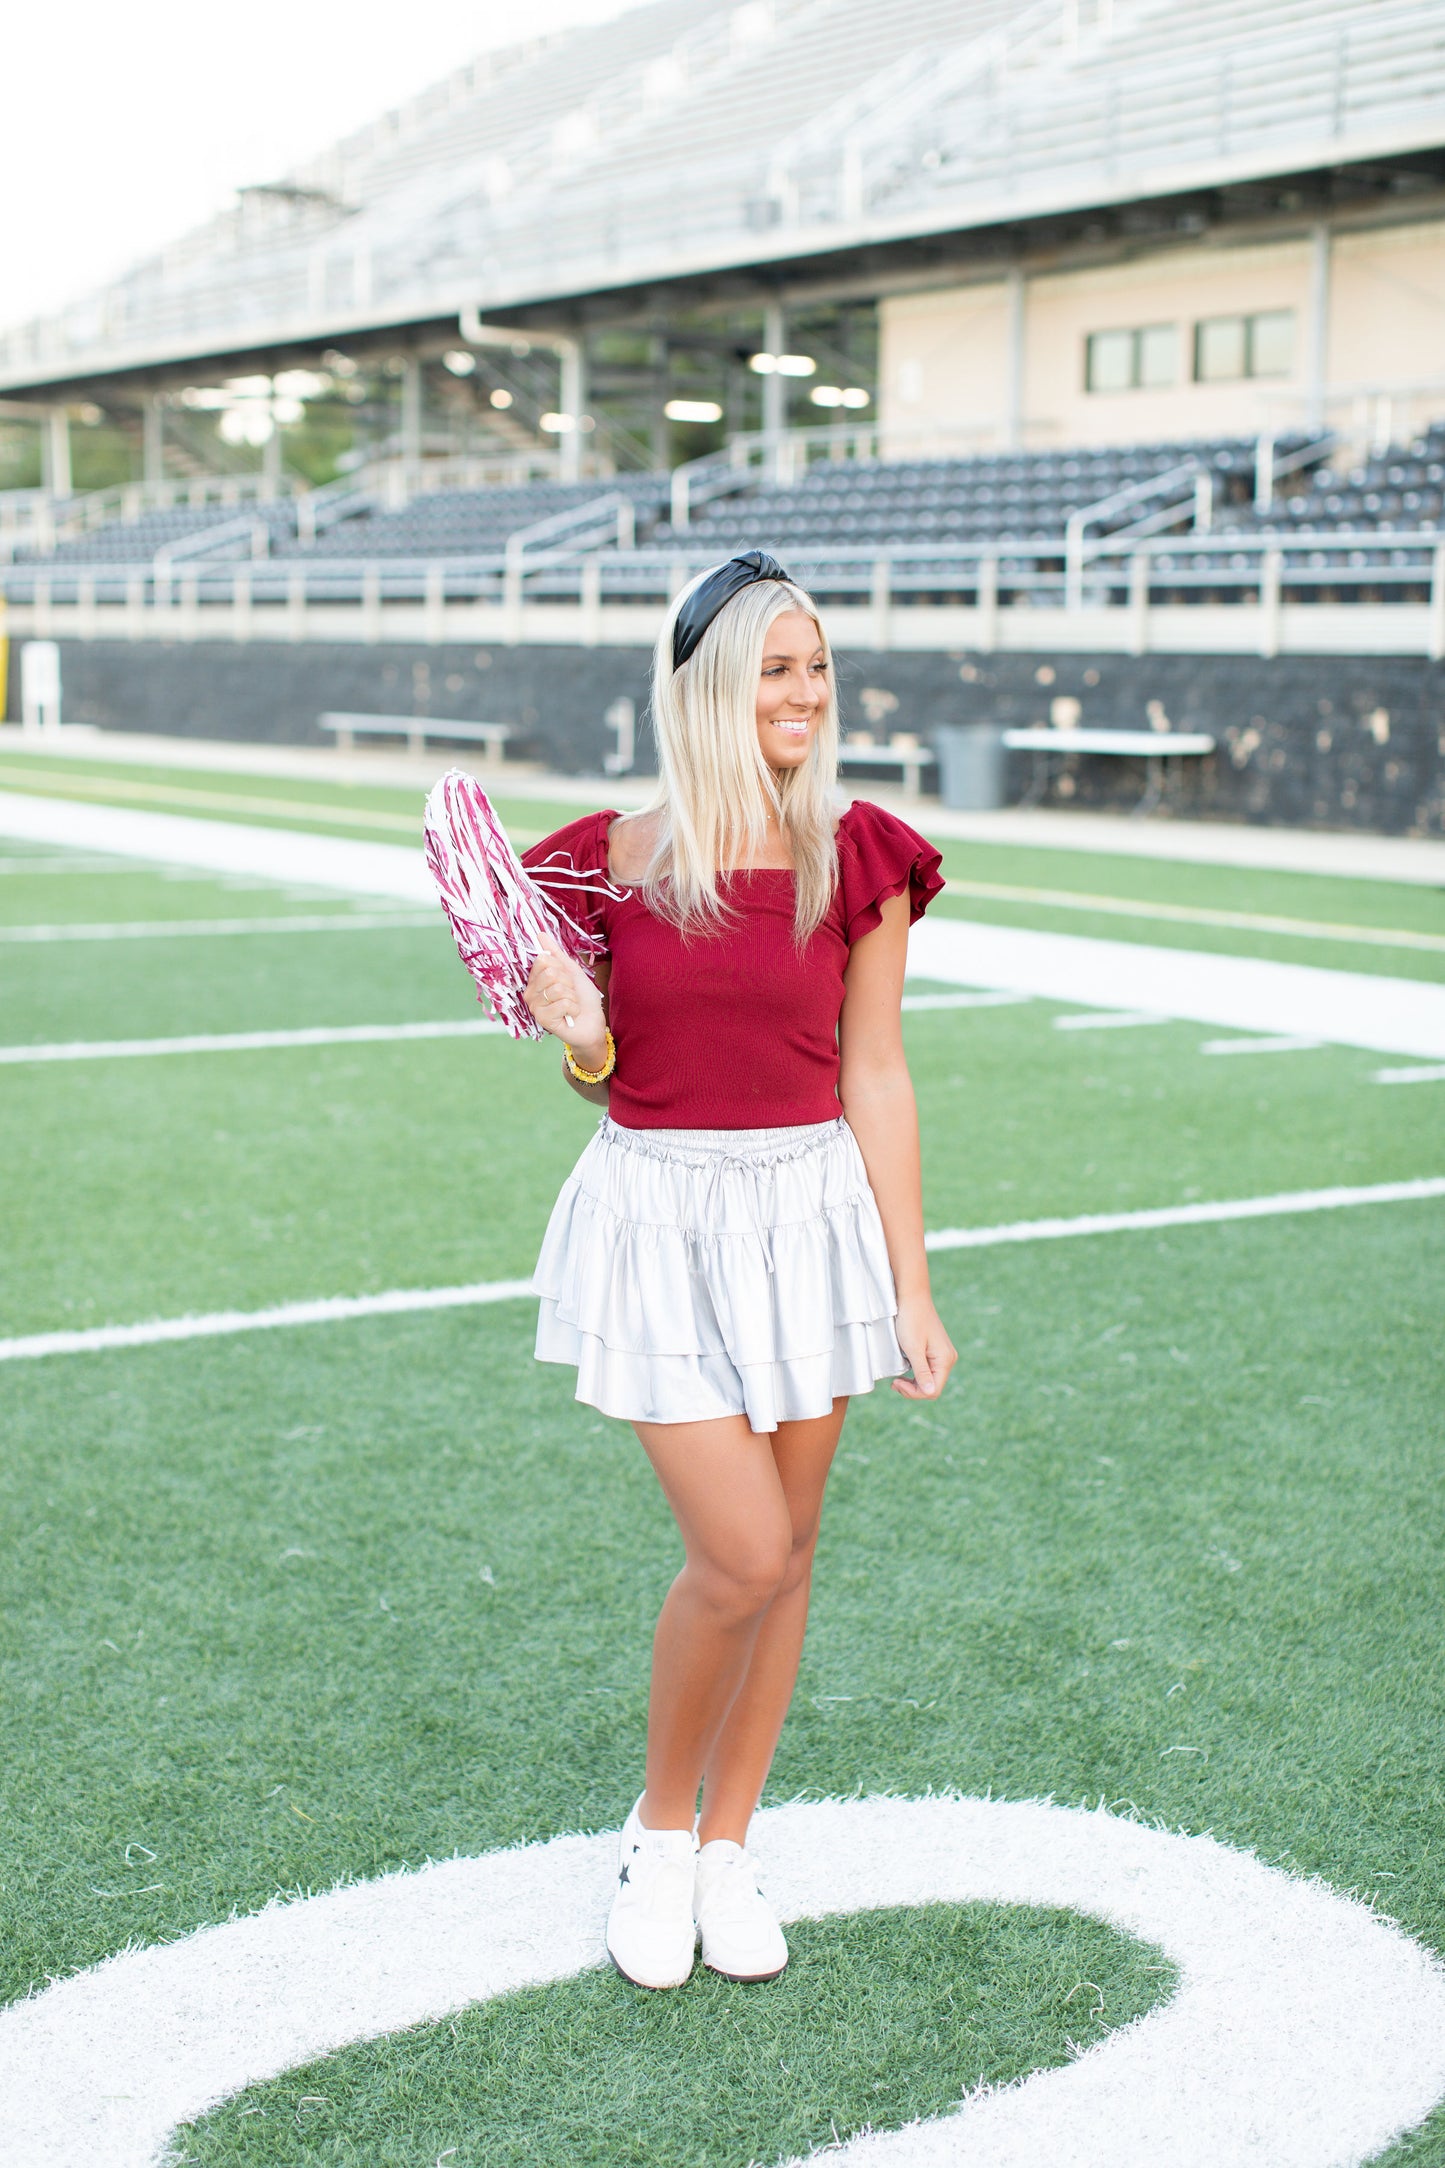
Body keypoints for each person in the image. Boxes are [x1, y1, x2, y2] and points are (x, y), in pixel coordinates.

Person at [520, 549, 956, 1992]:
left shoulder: (862, 853)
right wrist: (577, 1025)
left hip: (808, 1217)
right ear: (706, 682)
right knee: (741, 1552)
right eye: (776, 667)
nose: (806, 693)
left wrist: (911, 1279)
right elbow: (602, 1076)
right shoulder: (604, 855)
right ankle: (656, 1833)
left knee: (793, 1553)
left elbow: (876, 1074)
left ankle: (728, 1847)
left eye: (817, 666)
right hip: (655, 1222)